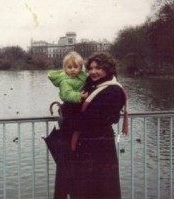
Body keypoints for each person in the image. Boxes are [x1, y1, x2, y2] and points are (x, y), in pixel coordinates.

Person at [55, 52, 127, 199]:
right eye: (91, 68)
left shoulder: (113, 91)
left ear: (108, 69)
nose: (93, 72)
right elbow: (76, 108)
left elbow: (92, 120)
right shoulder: (92, 85)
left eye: (98, 68)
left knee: (100, 190)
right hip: (87, 147)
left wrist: (66, 121)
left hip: (100, 149)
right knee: (83, 190)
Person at [48, 51, 88, 117]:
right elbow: (66, 94)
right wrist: (79, 96)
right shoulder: (64, 81)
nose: (72, 70)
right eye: (69, 67)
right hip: (70, 108)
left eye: (75, 67)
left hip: (80, 106)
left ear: (80, 68)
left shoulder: (82, 76)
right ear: (65, 68)